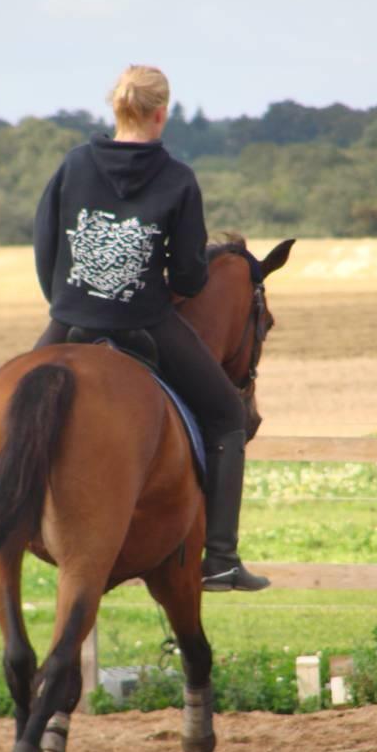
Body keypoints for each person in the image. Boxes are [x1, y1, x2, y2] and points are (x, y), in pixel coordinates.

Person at [32, 64, 267, 592]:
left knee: (8, 399)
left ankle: (1, 524)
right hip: (145, 323)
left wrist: (67, 303)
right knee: (227, 415)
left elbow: (45, 248)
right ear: (161, 113)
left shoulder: (73, 165)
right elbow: (187, 275)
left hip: (70, 319)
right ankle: (221, 560)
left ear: (116, 107)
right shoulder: (178, 178)